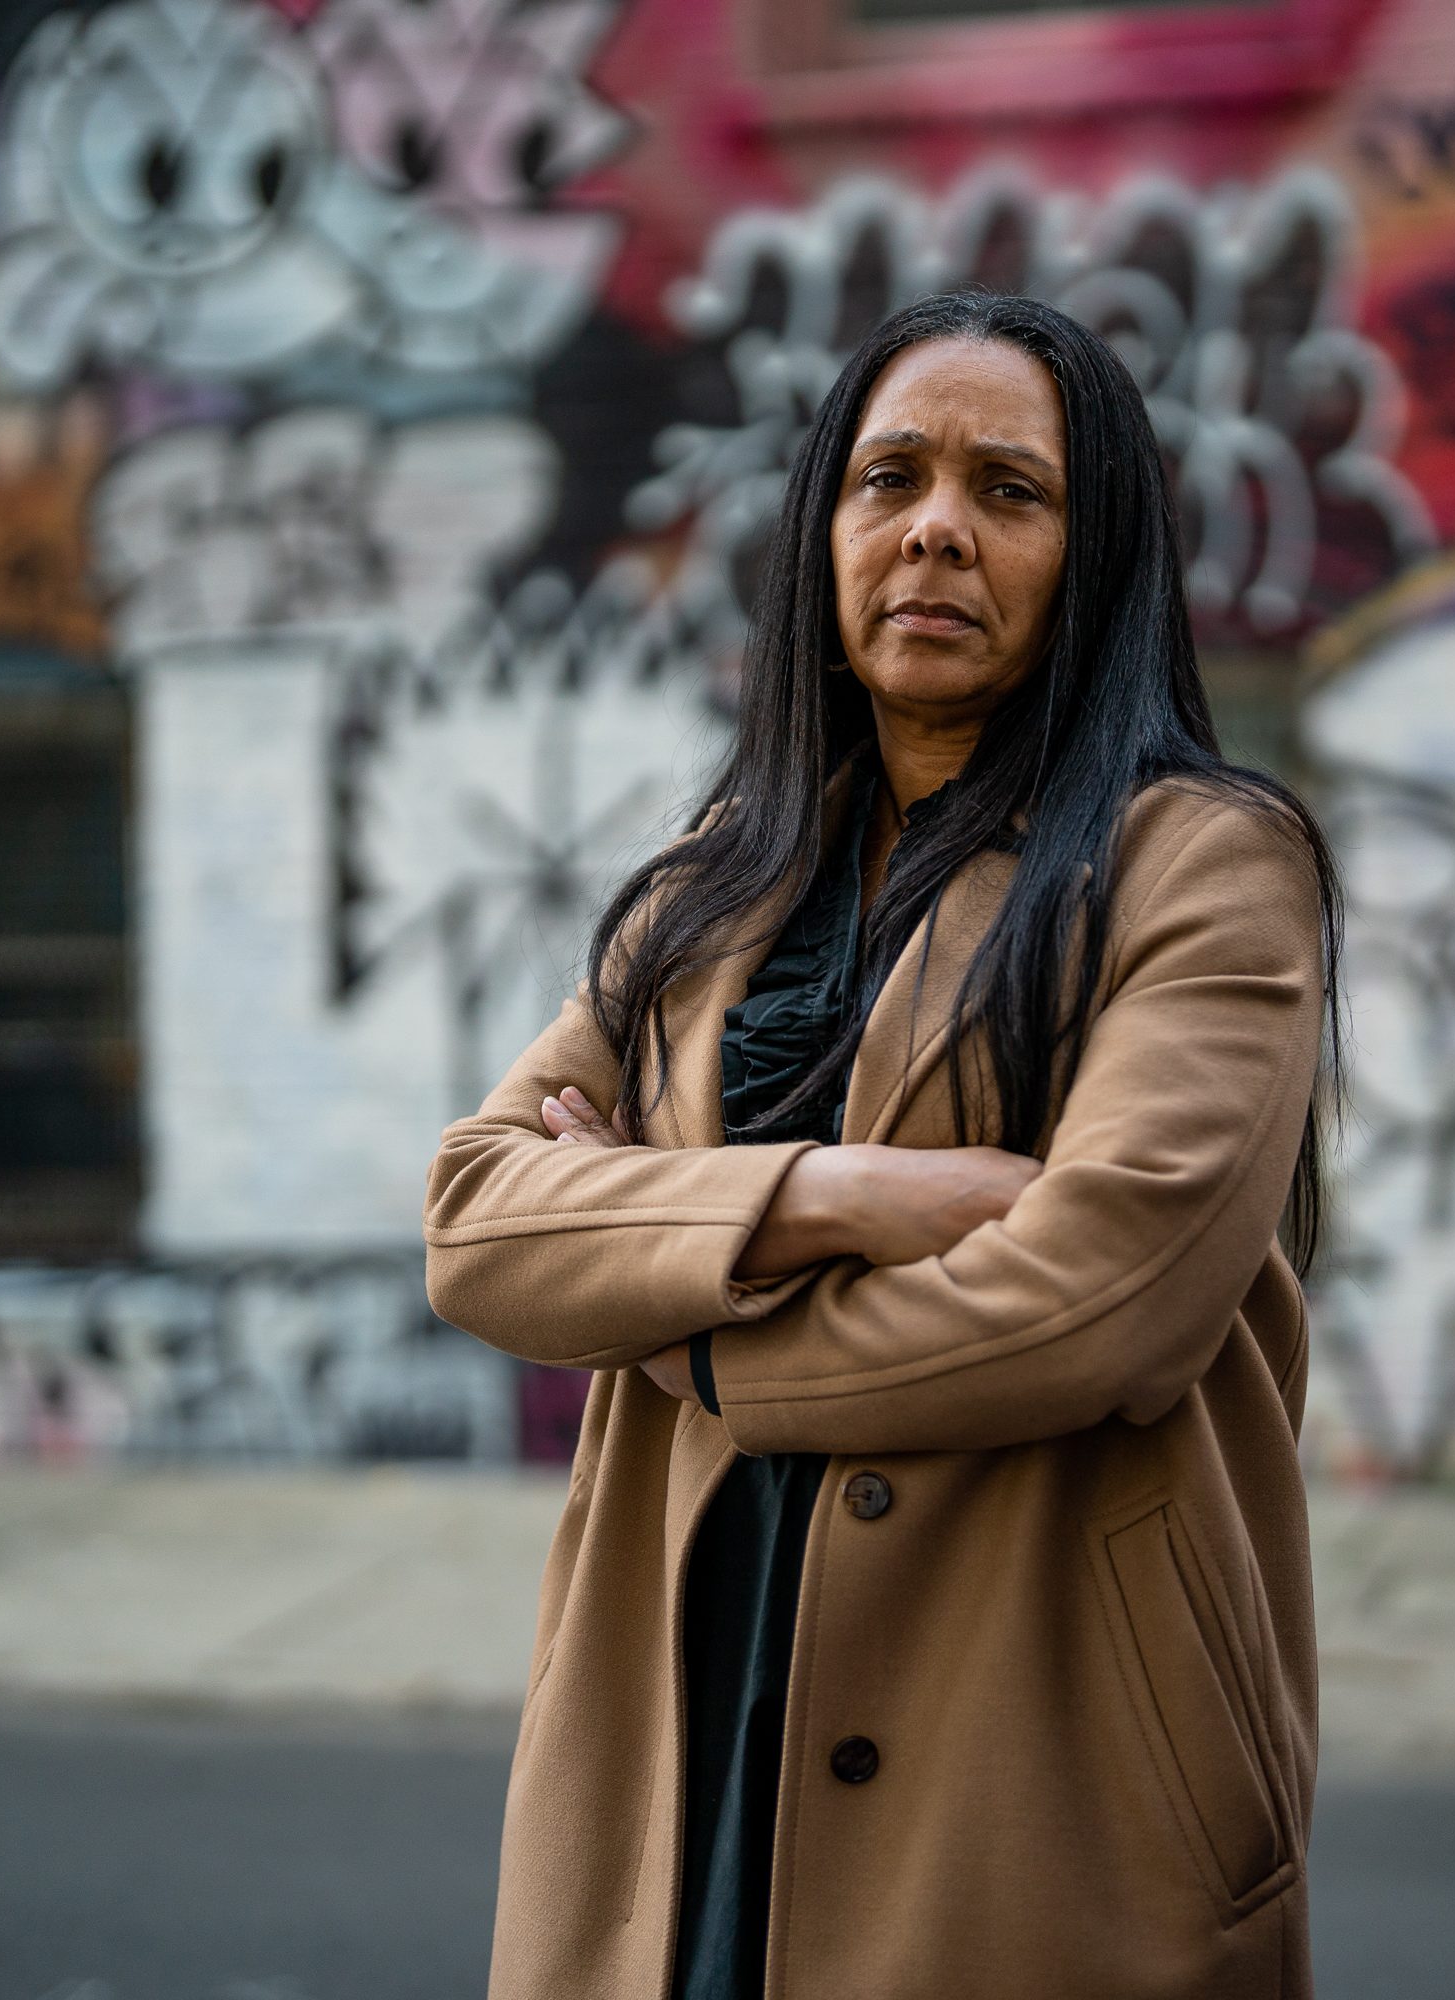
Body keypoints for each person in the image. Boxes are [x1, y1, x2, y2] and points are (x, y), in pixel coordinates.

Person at [424, 290, 1343, 2000]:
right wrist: (848, 1194)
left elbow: (1096, 1302)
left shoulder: (1201, 866)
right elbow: (479, 1221)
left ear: (1097, 556)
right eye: (890, 477)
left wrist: (676, 1309)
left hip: (1043, 1755)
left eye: (1010, 490)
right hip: (688, 1706)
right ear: (824, 531)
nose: (936, 525)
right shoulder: (719, 881)